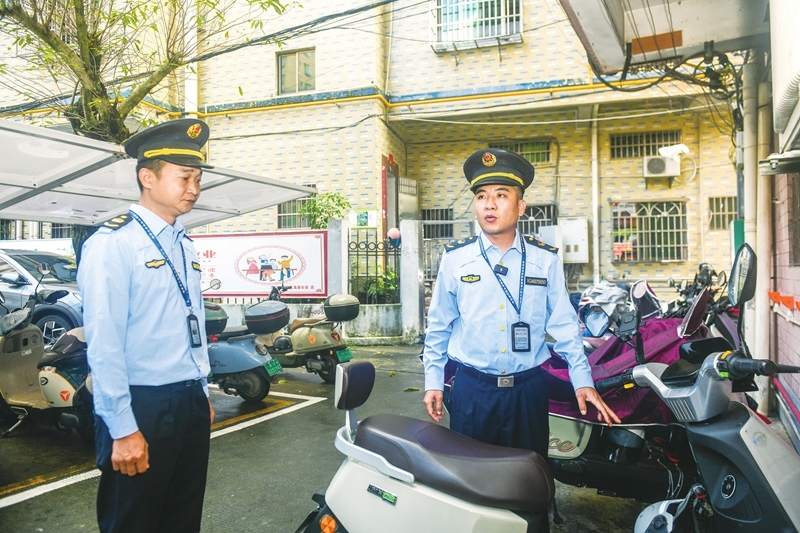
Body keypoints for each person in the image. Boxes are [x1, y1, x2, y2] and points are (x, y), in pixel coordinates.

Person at [422, 147, 620, 459]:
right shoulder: (456, 259)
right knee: (471, 477)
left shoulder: (545, 260)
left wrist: (582, 380)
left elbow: (564, 326)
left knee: (530, 476)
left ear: (521, 206)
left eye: (501, 195)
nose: (489, 204)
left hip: (528, 393)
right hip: (473, 393)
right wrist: (433, 380)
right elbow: (438, 325)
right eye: (481, 196)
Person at [78, 118, 216, 533]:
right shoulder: (113, 243)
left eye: (198, 179)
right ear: (147, 177)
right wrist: (122, 429)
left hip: (188, 401)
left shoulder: (183, 243)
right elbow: (104, 343)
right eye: (184, 177)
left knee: (182, 520)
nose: (194, 188)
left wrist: (201, 390)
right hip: (142, 404)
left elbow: (190, 323)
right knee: (133, 521)